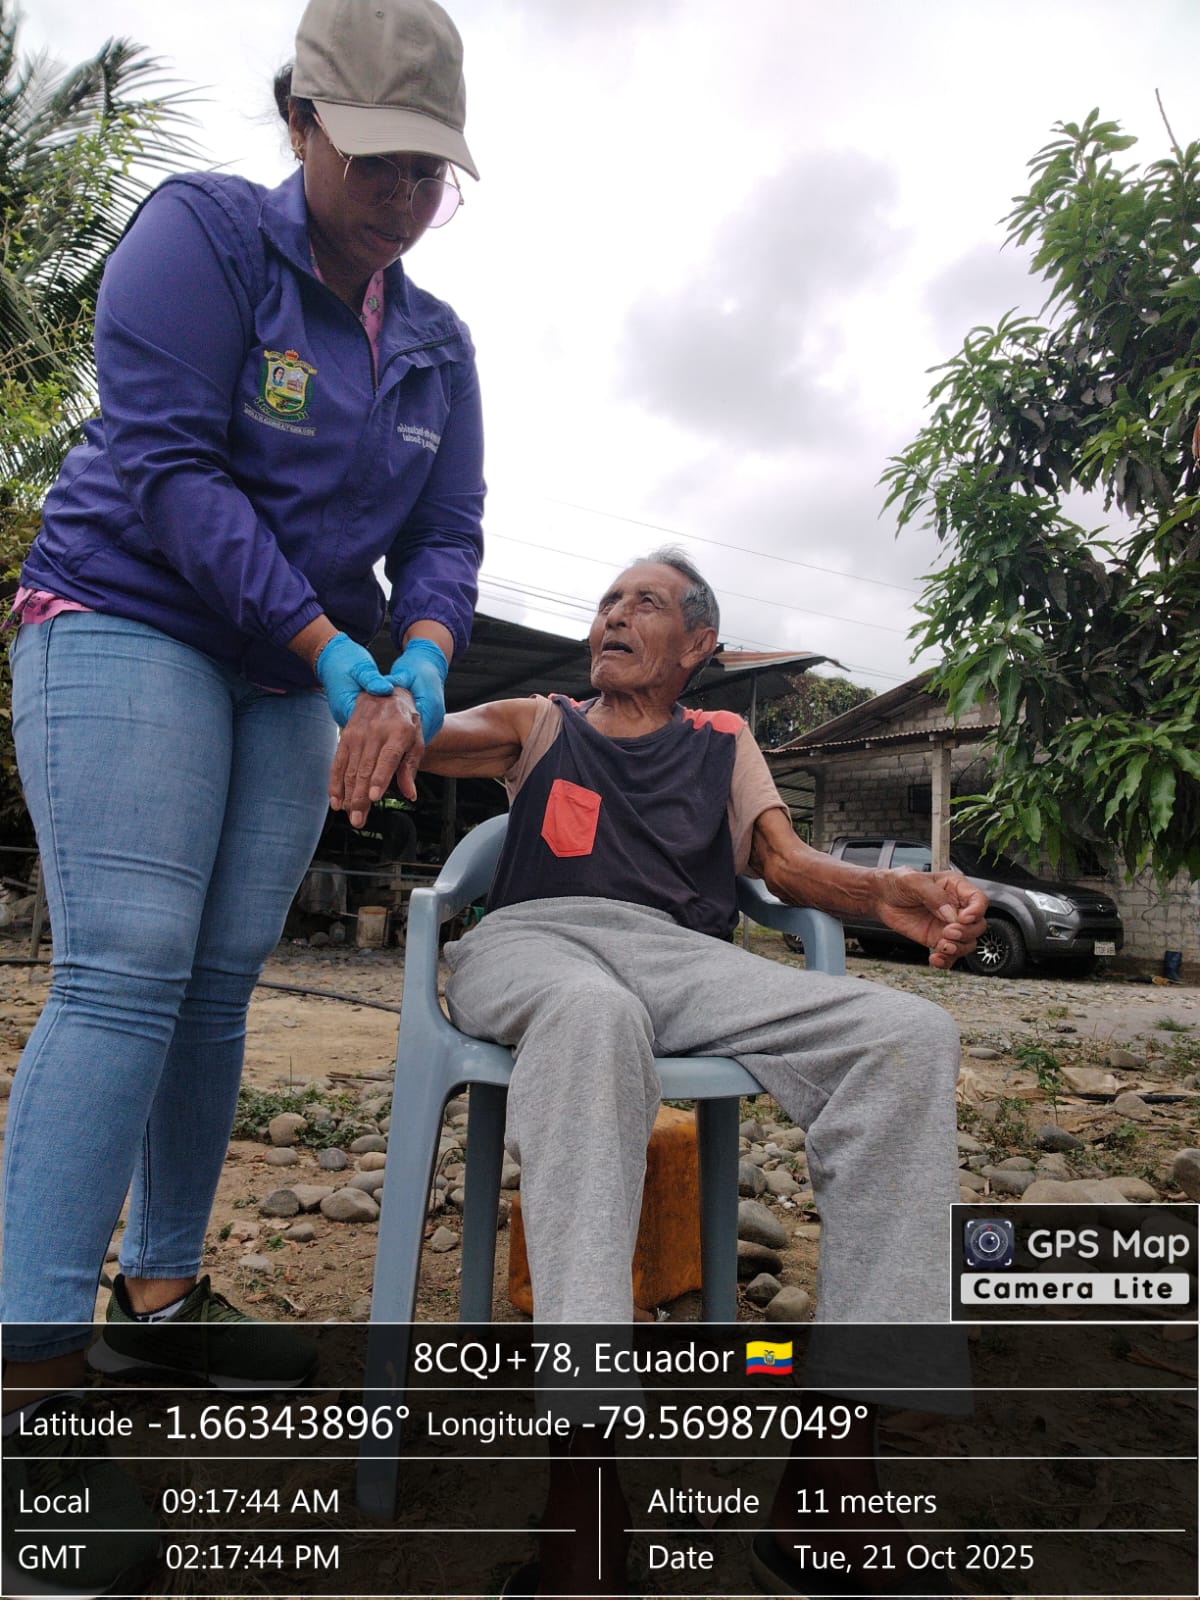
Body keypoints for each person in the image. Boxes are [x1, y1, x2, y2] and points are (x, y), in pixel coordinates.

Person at [1, 2, 483, 1592]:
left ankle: (161, 1298)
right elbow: (168, 468)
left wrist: (419, 662)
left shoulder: (437, 344)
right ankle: (28, 1396)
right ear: (302, 122)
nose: (401, 194)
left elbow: (452, 531)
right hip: (128, 615)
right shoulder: (204, 239)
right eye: (377, 157)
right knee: (126, 968)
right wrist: (328, 648)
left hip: (295, 672)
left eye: (429, 169)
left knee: (218, 987)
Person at [420, 548, 988, 1599]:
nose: (612, 615)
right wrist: (373, 706)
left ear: (698, 644)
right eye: (607, 600)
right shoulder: (542, 721)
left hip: (683, 954)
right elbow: (431, 732)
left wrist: (881, 895)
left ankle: (828, 1492)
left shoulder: (725, 740)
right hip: (537, 939)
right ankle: (584, 1489)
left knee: (906, 1038)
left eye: (644, 602)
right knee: (594, 1017)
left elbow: (784, 865)